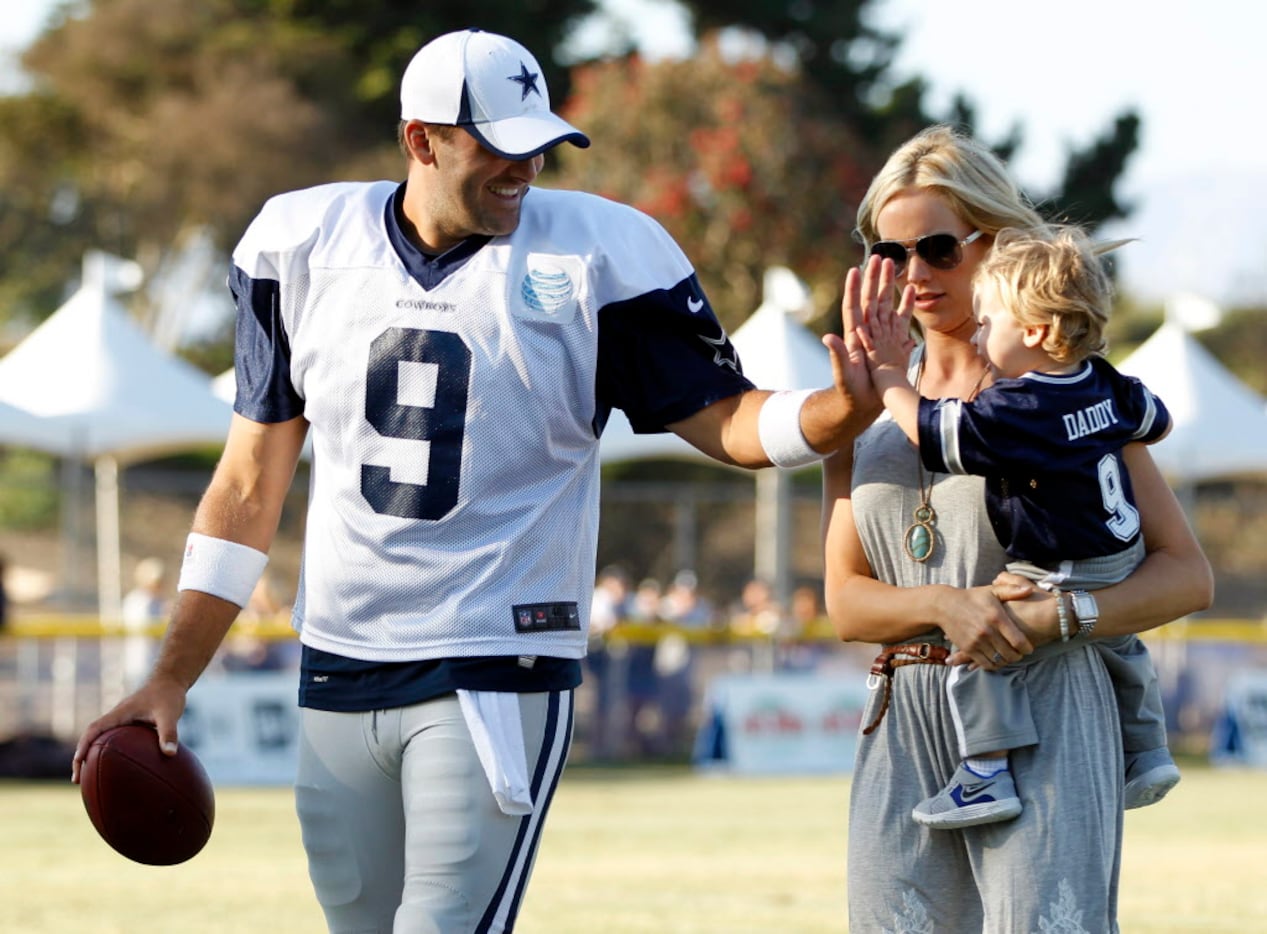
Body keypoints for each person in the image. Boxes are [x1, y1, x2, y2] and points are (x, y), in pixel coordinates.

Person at [72, 28, 870, 933]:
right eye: (497, 141)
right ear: (421, 139)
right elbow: (249, 485)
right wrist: (170, 677)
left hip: (497, 661)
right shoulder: (301, 244)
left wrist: (834, 415)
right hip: (339, 659)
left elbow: (723, 418)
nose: (524, 166)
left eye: (537, 142)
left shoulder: (598, 253)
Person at [821, 124, 1213, 931]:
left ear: (992, 244)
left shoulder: (1067, 394)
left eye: (936, 248)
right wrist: (946, 605)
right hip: (902, 719)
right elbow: (848, 607)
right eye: (889, 255)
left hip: (1045, 709)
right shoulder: (863, 403)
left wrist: (1057, 616)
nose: (913, 275)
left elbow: (1184, 574)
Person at [858, 224, 1180, 829]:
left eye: (990, 322)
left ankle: (985, 772)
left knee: (982, 647)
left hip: (1060, 562)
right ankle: (1151, 750)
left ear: (1033, 331)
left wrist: (888, 381)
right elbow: (1153, 420)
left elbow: (936, 434)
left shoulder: (1022, 404)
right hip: (1121, 551)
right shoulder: (1107, 380)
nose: (978, 334)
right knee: (1120, 642)